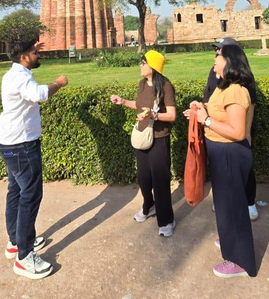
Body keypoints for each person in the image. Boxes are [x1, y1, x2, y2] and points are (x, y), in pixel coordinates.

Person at [185, 45, 257, 278]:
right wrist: (201, 109)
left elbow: (237, 131)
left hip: (230, 153)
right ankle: (229, 241)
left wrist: (206, 120)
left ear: (229, 61)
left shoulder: (235, 91)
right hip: (220, 151)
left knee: (233, 207)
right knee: (226, 205)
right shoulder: (223, 86)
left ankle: (240, 261)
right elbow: (218, 111)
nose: (214, 60)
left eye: (218, 56)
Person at [0, 39, 68, 280]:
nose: (38, 55)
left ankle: (15, 242)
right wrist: (58, 83)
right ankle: (25, 257)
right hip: (22, 146)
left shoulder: (13, 74)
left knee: (16, 192)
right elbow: (40, 94)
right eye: (35, 52)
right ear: (24, 57)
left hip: (11, 143)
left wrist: (32, 44)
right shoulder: (21, 77)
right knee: (30, 196)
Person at [110, 50, 177, 237]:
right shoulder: (142, 84)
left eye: (143, 63)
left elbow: (172, 115)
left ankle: (166, 219)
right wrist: (123, 101)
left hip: (159, 138)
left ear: (153, 66)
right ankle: (149, 206)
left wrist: (154, 115)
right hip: (142, 136)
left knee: (160, 181)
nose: (140, 66)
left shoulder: (165, 86)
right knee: (143, 178)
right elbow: (140, 106)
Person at [202, 37, 259, 221]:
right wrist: (202, 110)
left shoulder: (240, 78)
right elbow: (209, 96)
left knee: (242, 170)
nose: (216, 53)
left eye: (220, 51)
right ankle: (226, 202)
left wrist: (247, 132)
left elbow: (250, 104)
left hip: (233, 131)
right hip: (217, 128)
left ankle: (249, 201)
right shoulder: (216, 72)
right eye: (217, 50)